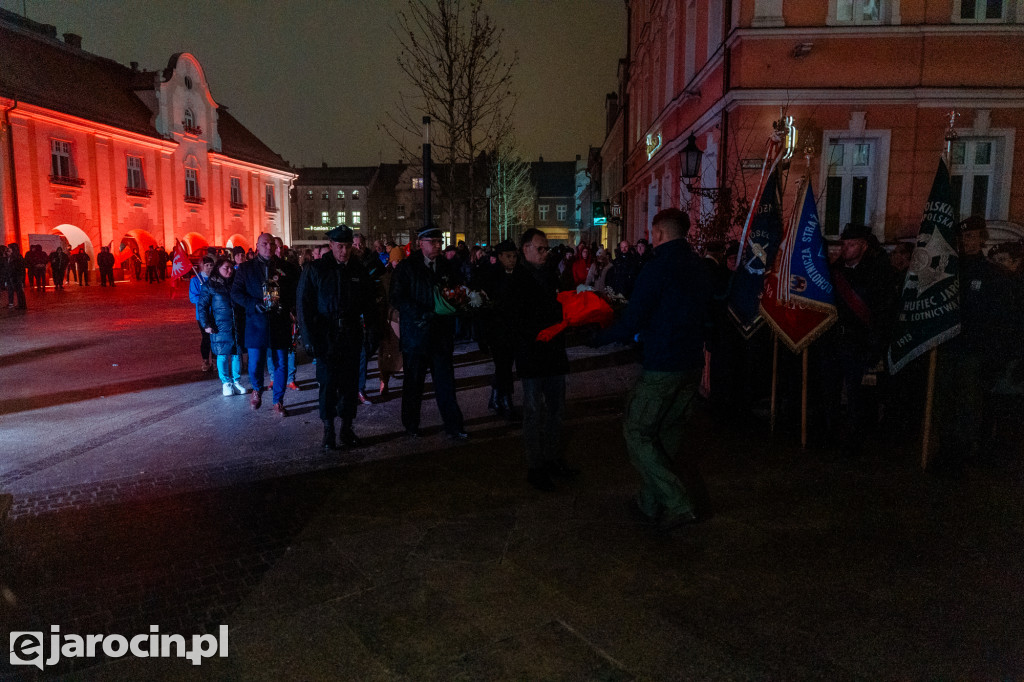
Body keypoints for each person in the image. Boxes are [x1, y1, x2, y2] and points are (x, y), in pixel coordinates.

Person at [589, 208, 713, 531]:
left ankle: (678, 502)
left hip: (662, 365)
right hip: (691, 364)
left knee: (637, 431)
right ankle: (649, 502)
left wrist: (599, 337)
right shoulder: (700, 267)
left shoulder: (656, 269)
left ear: (659, 234)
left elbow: (634, 319)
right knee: (667, 433)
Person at [932, 216, 1017, 472]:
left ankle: (961, 453)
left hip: (974, 352)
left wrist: (994, 357)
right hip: (949, 348)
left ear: (981, 238)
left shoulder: (993, 275)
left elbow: (1000, 319)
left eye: (970, 236)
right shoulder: (949, 272)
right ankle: (946, 449)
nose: (965, 242)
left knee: (968, 406)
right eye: (961, 238)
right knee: (944, 401)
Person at [507, 229, 578, 490]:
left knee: (556, 410)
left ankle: (552, 457)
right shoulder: (517, 280)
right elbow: (515, 322)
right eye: (540, 248)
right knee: (534, 412)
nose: (545, 253)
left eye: (546, 248)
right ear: (525, 249)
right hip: (533, 356)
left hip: (554, 354)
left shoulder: (550, 273)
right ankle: (535, 466)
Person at [297, 225, 376, 450]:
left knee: (350, 386)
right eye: (340, 246)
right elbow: (304, 306)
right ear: (331, 245)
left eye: (348, 246)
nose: (344, 251)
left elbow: (370, 303)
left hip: (351, 334)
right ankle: (328, 429)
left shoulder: (358, 270)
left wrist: (371, 333)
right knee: (328, 384)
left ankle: (347, 428)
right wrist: (309, 338)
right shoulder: (316, 269)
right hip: (326, 336)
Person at [389, 224, 468, 439]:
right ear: (420, 244)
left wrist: (458, 299)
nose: (437, 246)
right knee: (414, 384)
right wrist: (421, 312)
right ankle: (411, 424)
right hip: (416, 336)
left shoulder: (446, 265)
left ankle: (454, 425)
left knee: (445, 384)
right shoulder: (407, 267)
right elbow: (397, 297)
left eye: (439, 242)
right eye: (432, 242)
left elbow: (457, 288)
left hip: (441, 335)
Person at [231, 232, 297, 415]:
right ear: (258, 246)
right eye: (265, 244)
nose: (269, 247)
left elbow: (294, 291)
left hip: (279, 322)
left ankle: (278, 401)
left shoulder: (286, 268)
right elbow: (236, 293)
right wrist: (253, 304)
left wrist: (286, 305)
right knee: (255, 363)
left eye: (272, 244)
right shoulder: (246, 269)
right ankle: (257, 389)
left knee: (281, 363)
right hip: (256, 323)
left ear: (277, 247)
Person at [480, 239, 520, 420]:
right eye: (509, 256)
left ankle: (496, 397)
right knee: (503, 365)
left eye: (514, 256)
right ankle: (505, 400)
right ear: (500, 257)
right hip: (497, 330)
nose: (512, 260)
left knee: (505, 365)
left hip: (512, 329)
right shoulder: (492, 275)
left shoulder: (518, 274)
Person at [197, 258, 246, 397]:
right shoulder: (210, 285)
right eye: (226, 268)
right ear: (218, 268)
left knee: (237, 354)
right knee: (222, 354)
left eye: (231, 268)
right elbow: (202, 306)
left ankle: (236, 381)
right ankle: (226, 382)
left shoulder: (237, 283)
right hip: (220, 326)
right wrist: (205, 324)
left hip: (236, 324)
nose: (229, 270)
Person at [189, 256, 215, 373]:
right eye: (206, 265)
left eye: (211, 265)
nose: (209, 268)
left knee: (215, 337)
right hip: (202, 315)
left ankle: (215, 360)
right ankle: (205, 360)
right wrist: (205, 298)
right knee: (206, 338)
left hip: (215, 313)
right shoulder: (195, 280)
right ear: (202, 266)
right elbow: (193, 297)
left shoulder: (215, 279)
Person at [4, 244, 27, 309]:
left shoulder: (17, 257)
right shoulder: (11, 257)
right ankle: (20, 304)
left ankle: (22, 305)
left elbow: (20, 268)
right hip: (12, 276)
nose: (9, 249)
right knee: (18, 291)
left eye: (10, 248)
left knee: (19, 291)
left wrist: (21, 278)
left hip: (16, 277)